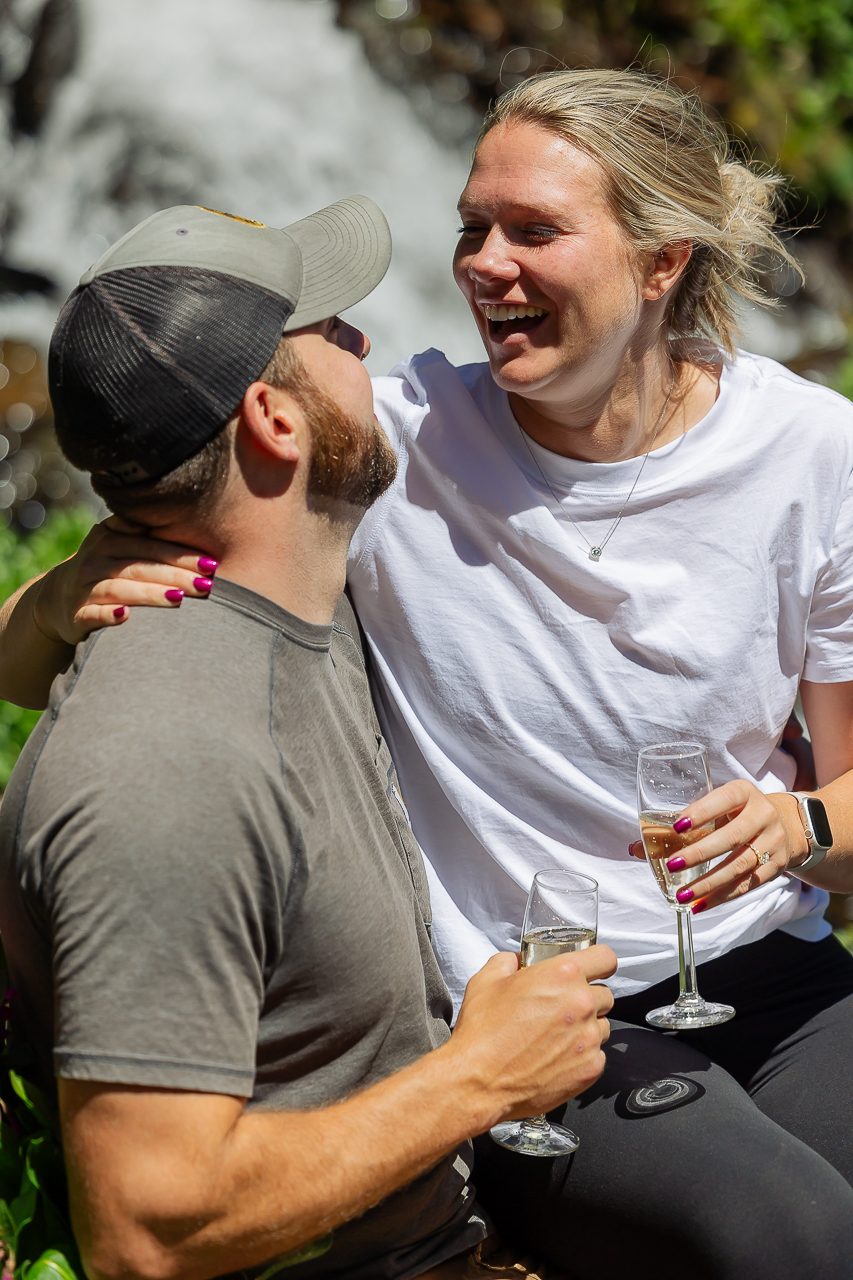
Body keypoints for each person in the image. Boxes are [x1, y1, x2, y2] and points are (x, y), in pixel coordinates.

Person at [5, 69, 853, 1279]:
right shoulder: (389, 445)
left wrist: (799, 818)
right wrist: (69, 584)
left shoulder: (812, 450)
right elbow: (200, 501)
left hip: (770, 970)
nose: (481, 264)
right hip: (540, 1000)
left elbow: (851, 793)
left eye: (533, 230)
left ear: (662, 262)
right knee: (799, 1239)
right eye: (472, 226)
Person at [0, 199, 618, 1280]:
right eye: (331, 333)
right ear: (272, 422)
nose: (365, 344)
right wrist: (482, 1075)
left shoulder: (292, 594)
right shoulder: (170, 761)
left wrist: (46, 599)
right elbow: (145, 1229)